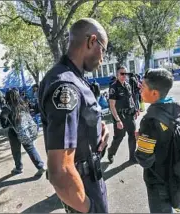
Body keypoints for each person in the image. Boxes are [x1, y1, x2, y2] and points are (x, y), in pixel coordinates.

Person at [39, 18, 109, 213]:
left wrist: (101, 129)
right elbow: (60, 171)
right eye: (102, 49)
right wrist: (89, 209)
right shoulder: (65, 87)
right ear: (91, 41)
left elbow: (82, 120)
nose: (102, 58)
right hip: (82, 187)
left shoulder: (75, 78)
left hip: (90, 177)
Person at [134, 68, 180, 213]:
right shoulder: (174, 106)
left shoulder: (149, 121)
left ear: (154, 93)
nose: (140, 90)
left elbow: (145, 159)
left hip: (157, 178)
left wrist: (139, 140)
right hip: (174, 170)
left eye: (143, 87)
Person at [0, 89, 45, 176]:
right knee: (30, 148)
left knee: (16, 150)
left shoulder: (7, 107)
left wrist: (8, 123)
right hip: (26, 130)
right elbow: (35, 109)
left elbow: (3, 123)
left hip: (14, 132)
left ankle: (18, 168)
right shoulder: (24, 104)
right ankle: (40, 166)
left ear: (7, 97)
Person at [108, 66, 138, 163]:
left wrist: (135, 109)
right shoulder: (113, 87)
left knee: (132, 136)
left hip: (130, 116)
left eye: (125, 73)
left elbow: (131, 98)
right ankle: (111, 153)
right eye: (122, 74)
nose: (124, 76)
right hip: (120, 117)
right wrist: (117, 120)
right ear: (117, 75)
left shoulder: (128, 85)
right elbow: (112, 106)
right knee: (119, 138)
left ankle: (132, 157)